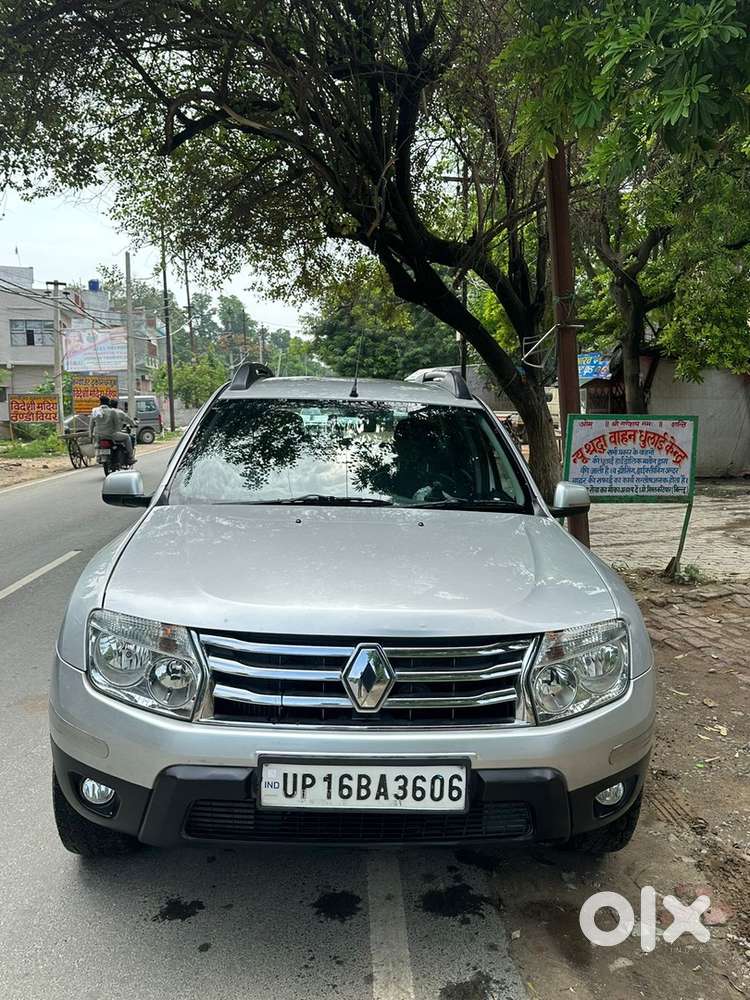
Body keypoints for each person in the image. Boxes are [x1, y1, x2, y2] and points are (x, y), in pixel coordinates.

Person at [96, 397, 136, 465]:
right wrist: (134, 424)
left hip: (99, 435)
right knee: (127, 437)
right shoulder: (116, 412)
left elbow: (93, 424)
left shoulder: (98, 411)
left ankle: (98, 457)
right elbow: (122, 422)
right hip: (112, 433)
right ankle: (130, 457)